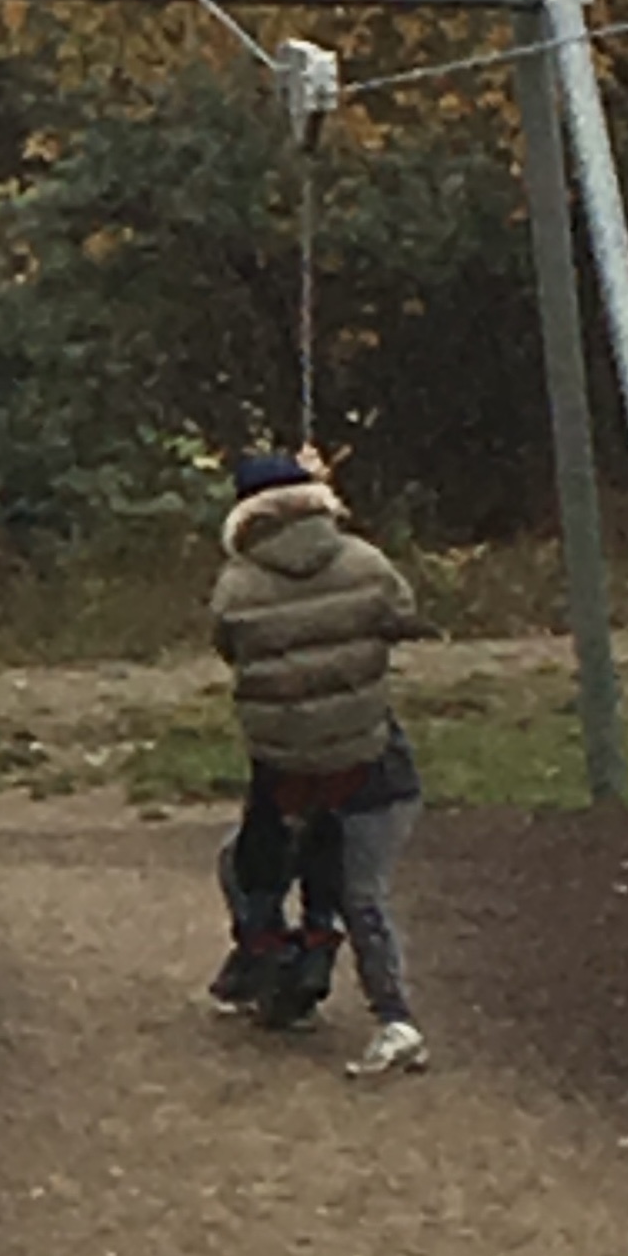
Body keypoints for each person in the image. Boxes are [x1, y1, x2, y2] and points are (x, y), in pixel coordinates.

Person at [208, 447, 430, 1078]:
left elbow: (229, 645)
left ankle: (272, 955)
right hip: (370, 758)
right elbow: (401, 615)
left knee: (247, 864)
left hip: (285, 767)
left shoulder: (236, 586)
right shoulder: (365, 562)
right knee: (360, 891)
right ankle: (388, 1014)